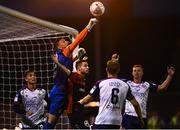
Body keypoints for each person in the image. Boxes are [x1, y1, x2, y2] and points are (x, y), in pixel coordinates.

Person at [44, 18, 98, 129]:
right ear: (58, 45)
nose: (67, 42)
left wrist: (76, 58)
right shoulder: (64, 52)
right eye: (63, 41)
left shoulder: (61, 57)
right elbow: (77, 40)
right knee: (51, 123)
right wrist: (89, 26)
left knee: (72, 119)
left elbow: (66, 66)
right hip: (59, 93)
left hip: (64, 92)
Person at [78, 54, 144, 129]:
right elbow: (136, 104)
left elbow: (86, 100)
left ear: (106, 70)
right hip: (116, 122)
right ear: (118, 70)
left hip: (102, 121)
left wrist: (77, 103)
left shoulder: (101, 83)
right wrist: (141, 119)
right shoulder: (125, 85)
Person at [122, 64, 175, 129]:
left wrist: (170, 75)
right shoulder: (127, 83)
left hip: (142, 117)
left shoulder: (147, 85)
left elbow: (162, 88)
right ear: (132, 73)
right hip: (128, 117)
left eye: (139, 71)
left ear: (142, 73)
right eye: (134, 71)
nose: (136, 72)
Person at [51, 53, 92, 129]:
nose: (88, 67)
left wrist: (79, 58)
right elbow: (67, 71)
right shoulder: (76, 76)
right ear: (79, 68)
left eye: (87, 65)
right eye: (85, 66)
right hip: (73, 111)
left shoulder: (83, 79)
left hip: (79, 110)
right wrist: (57, 62)